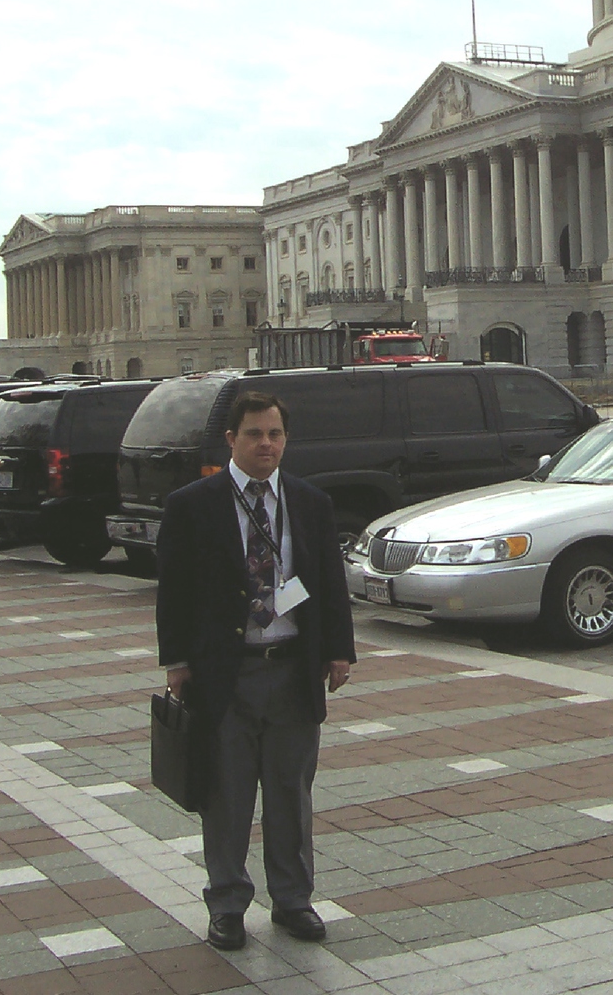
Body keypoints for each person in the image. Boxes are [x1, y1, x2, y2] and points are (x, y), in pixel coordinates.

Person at [156, 390, 355, 952]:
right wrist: (177, 661)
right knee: (228, 796)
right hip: (227, 674)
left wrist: (339, 651)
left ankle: (293, 901)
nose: (265, 444)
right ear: (231, 440)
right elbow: (173, 592)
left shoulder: (309, 502)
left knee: (291, 795)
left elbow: (328, 585)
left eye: (274, 434)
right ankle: (226, 904)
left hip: (292, 669)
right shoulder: (194, 504)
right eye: (254, 434)